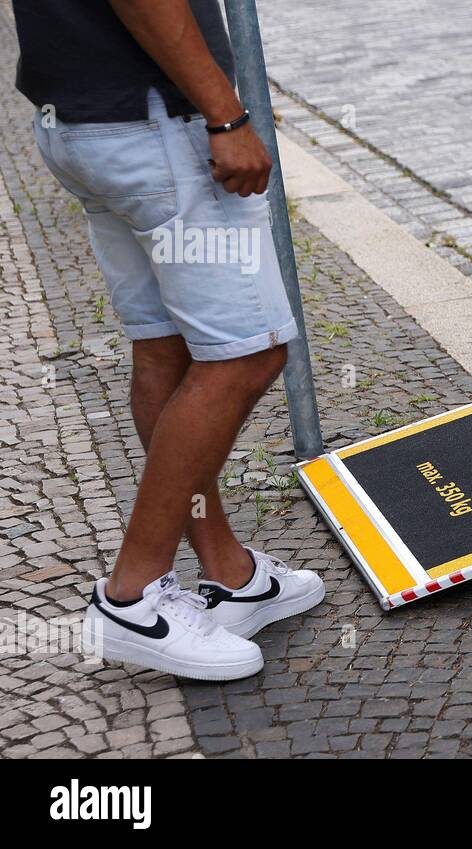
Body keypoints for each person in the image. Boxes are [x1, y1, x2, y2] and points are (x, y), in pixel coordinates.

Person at [13, 0, 325, 681]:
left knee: (166, 346)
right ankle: (132, 594)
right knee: (248, 352)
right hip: (156, 120)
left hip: (84, 121)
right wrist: (226, 113)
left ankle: (230, 575)